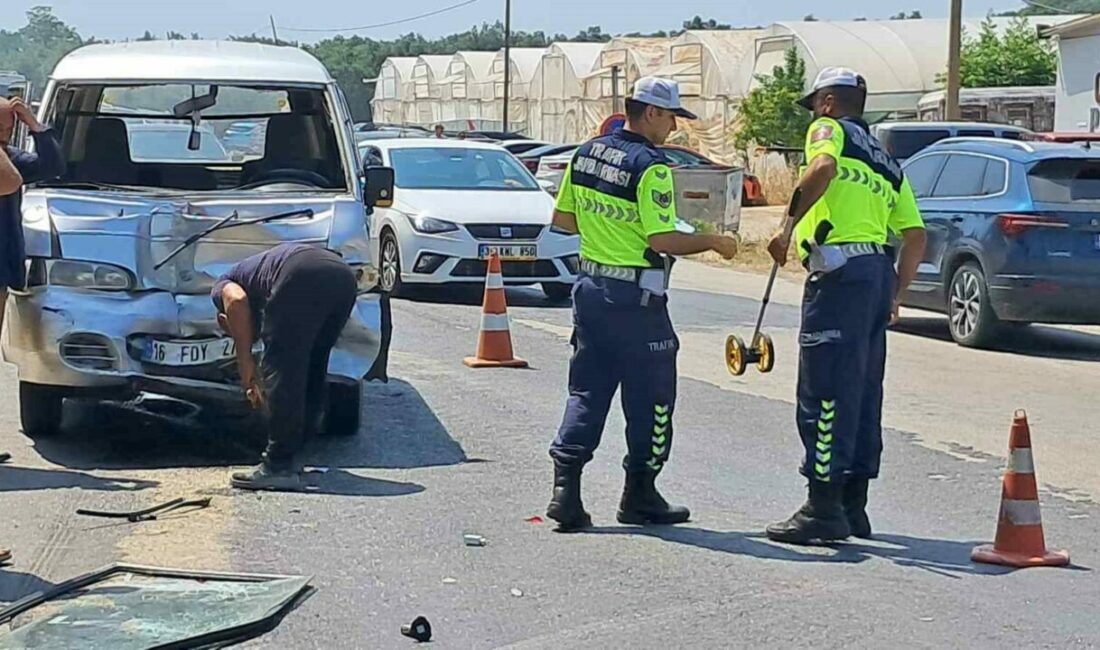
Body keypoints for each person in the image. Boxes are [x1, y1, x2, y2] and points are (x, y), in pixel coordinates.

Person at [545, 77, 739, 532]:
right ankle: (641, 494)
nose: (674, 127)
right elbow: (661, 239)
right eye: (671, 117)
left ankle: (565, 492)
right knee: (653, 398)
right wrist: (715, 241)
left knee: (587, 391)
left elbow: (563, 220)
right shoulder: (651, 167)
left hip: (591, 290)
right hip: (637, 299)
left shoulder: (586, 154)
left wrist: (608, 230)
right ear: (651, 113)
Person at [764, 67, 927, 544]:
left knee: (826, 387)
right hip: (876, 273)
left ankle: (822, 508)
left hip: (838, 275)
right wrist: (896, 295)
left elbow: (821, 169)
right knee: (863, 388)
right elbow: (915, 236)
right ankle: (854, 506)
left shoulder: (828, 131)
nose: (813, 113)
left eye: (815, 104)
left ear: (829, 103)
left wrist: (785, 228)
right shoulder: (887, 160)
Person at [212, 243, 358, 491]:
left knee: (282, 370)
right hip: (343, 278)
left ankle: (278, 465)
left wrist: (245, 359)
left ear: (223, 320)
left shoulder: (223, 284)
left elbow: (236, 302)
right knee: (313, 366)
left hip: (301, 274)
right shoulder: (259, 277)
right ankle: (296, 452)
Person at [0, 96, 65, 331]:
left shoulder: (11, 159)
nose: (5, 135)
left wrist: (35, 126)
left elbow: (53, 167)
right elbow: (11, 181)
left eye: (9, 129)